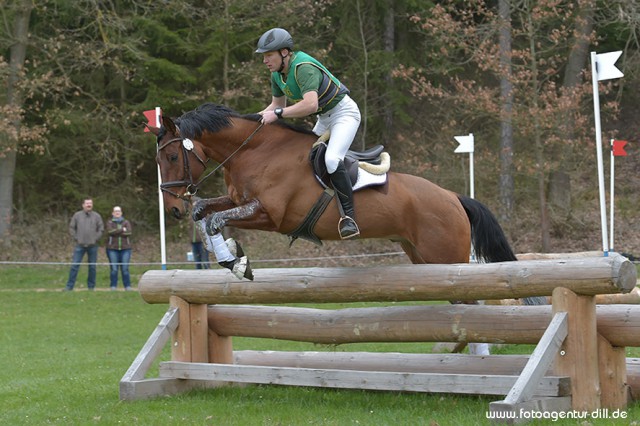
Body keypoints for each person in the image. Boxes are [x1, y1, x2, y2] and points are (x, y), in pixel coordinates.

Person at [256, 27, 362, 239]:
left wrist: (278, 114)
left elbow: (310, 105)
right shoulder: (277, 75)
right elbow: (277, 104)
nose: (265, 61)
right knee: (302, 158)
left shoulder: (303, 67)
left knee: (332, 160)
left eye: (269, 55)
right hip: (325, 118)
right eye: (264, 56)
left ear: (284, 52)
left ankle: (349, 218)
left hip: (344, 114)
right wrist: (251, 119)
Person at [65, 198, 104, 291]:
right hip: (80, 245)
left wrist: (95, 239)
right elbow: (71, 228)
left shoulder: (97, 216)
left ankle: (91, 287)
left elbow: (101, 229)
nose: (89, 205)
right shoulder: (77, 215)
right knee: (74, 266)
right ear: (83, 205)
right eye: (87, 203)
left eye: (90, 203)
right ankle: (69, 287)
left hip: (92, 246)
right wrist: (76, 238)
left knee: (92, 267)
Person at [105, 206, 133, 291]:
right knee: (114, 269)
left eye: (119, 211)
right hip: (112, 249)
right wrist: (122, 229)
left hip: (125, 249)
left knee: (125, 269)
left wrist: (117, 231)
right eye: (115, 211)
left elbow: (128, 232)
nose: (117, 213)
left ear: (121, 213)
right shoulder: (109, 222)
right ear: (113, 213)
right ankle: (113, 286)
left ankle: (127, 286)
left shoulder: (126, 222)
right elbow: (110, 232)